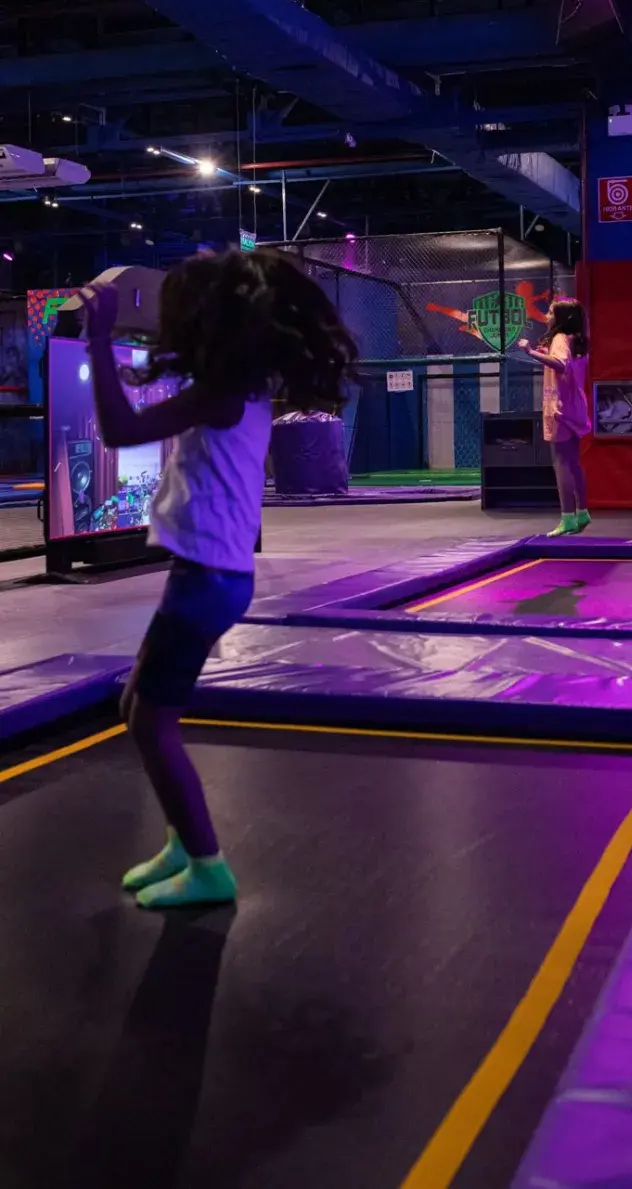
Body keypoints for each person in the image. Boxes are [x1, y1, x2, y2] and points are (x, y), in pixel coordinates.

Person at [81, 248, 357, 908]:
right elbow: (162, 380)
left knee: (151, 722)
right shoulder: (235, 384)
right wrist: (136, 357)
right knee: (135, 708)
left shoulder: (224, 393)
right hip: (208, 575)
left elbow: (120, 428)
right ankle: (182, 841)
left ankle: (208, 864)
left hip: (207, 580)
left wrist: (96, 337)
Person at [518, 297, 591, 537]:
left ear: (561, 319)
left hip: (560, 408)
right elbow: (564, 364)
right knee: (573, 462)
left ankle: (567, 517)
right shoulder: (576, 340)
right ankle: (581, 511)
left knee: (561, 463)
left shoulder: (560, 338)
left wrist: (530, 352)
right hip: (575, 406)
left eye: (550, 312)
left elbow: (560, 364)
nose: (546, 316)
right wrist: (545, 354)